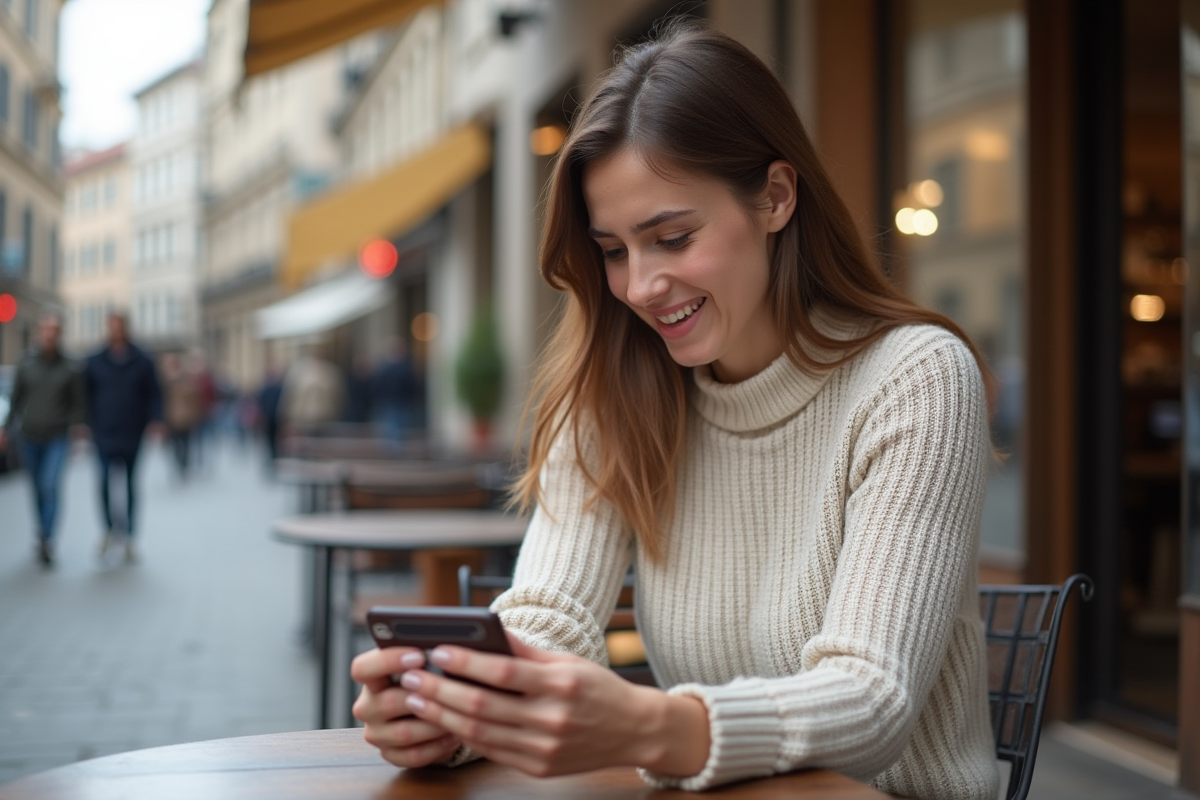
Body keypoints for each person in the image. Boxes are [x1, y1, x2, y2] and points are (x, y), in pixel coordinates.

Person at [351, 22, 999, 800]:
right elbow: (550, 615)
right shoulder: (619, 386)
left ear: (776, 198)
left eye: (672, 237)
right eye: (615, 250)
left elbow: (870, 700)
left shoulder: (915, 379)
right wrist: (458, 709)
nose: (640, 285)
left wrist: (652, 726)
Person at [0, 312, 86, 566]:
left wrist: (77, 427)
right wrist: (4, 429)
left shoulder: (70, 366)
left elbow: (78, 402)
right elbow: (15, 400)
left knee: (50, 485)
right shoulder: (26, 363)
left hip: (57, 436)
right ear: (39, 333)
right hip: (30, 435)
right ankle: (41, 529)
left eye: (54, 330)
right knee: (37, 488)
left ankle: (47, 538)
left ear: (59, 333)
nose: (49, 335)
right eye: (45, 330)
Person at [86, 312, 162, 563]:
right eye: (112, 327)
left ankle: (130, 535)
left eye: (119, 326)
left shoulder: (142, 360)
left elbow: (154, 393)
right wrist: (85, 424)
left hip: (132, 432)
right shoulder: (96, 360)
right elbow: (86, 395)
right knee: (105, 483)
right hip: (104, 432)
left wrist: (155, 421)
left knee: (130, 485)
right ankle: (109, 529)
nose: (116, 331)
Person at [278, 345, 345, 435]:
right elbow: (289, 396)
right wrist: (287, 420)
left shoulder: (331, 372)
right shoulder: (298, 370)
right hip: (302, 421)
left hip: (326, 419)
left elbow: (339, 397)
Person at [160, 353, 203, 480]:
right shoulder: (164, 381)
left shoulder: (186, 379)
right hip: (170, 418)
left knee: (186, 443)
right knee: (174, 444)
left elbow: (194, 398)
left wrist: (194, 415)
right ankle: (178, 464)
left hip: (185, 418)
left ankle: (184, 465)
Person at [370, 339, 422, 441]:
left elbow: (377, 385)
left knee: (393, 426)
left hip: (394, 402)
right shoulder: (403, 368)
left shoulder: (386, 367)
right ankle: (394, 449)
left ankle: (393, 448)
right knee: (396, 426)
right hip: (396, 402)